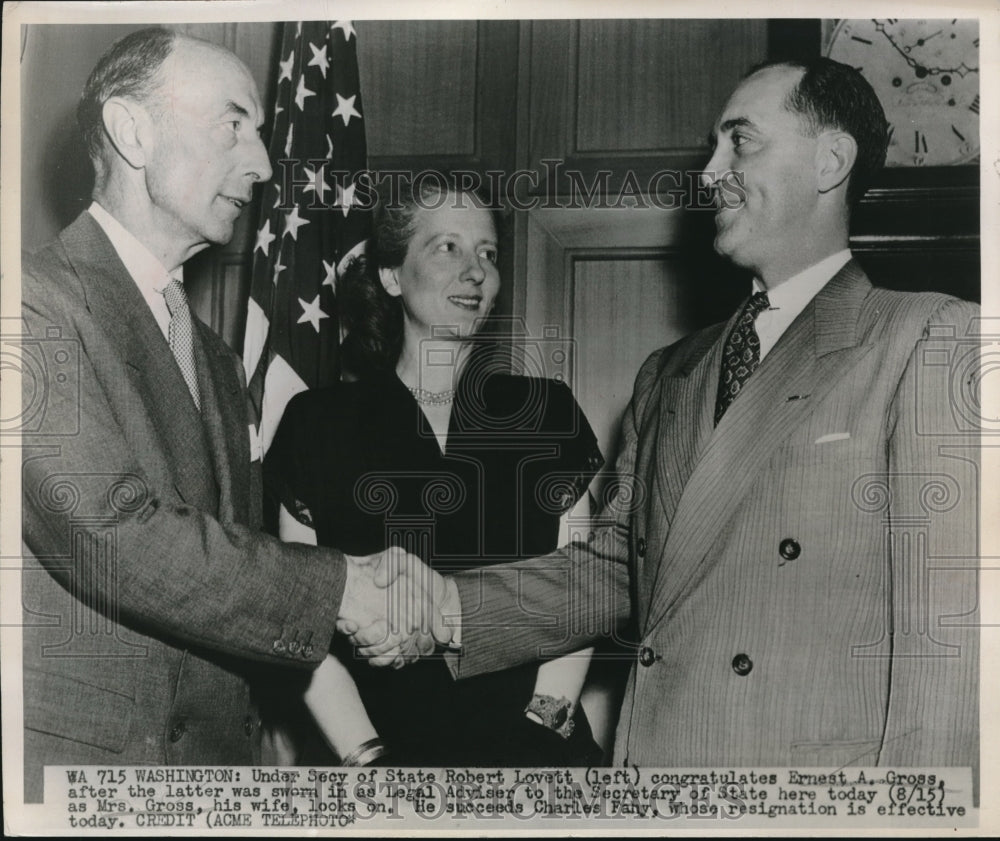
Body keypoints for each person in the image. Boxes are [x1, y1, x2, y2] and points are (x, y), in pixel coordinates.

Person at [361, 58, 980, 780]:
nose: (710, 171)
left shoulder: (929, 338)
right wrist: (444, 608)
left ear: (830, 160)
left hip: (804, 804)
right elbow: (615, 571)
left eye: (739, 142)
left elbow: (952, 642)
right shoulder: (669, 373)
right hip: (655, 776)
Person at [19, 27, 438, 801]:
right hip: (92, 783)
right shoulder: (29, 307)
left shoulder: (214, 355)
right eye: (234, 123)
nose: (264, 162)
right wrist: (343, 589)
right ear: (132, 130)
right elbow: (116, 535)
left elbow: (232, 560)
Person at [264, 175, 607, 766]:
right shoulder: (317, 424)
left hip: (538, 761)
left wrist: (543, 724)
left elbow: (585, 587)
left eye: (489, 254)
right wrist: (366, 757)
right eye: (447, 247)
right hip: (378, 768)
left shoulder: (545, 412)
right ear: (392, 277)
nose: (476, 271)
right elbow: (299, 614)